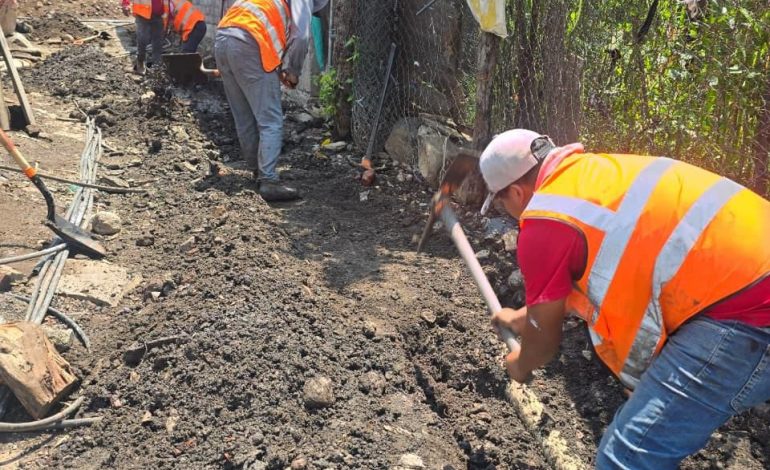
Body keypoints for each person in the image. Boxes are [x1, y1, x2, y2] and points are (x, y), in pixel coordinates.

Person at [481, 129, 770, 469]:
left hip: (748, 315)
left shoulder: (545, 219)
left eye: (501, 202)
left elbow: (543, 342)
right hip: (745, 287)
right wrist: (521, 318)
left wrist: (520, 364)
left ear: (516, 191)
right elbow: (587, 283)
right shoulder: (597, 175)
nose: (508, 211)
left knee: (626, 458)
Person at [215, 0, 328, 202]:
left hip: (223, 38)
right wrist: (292, 71)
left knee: (244, 117)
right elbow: (301, 37)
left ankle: (257, 172)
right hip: (249, 43)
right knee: (271, 120)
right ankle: (268, 180)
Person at [122, 0, 165, 75]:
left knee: (158, 43)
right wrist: (126, 4)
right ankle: (140, 63)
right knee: (143, 39)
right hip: (142, 13)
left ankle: (157, 67)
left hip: (158, 14)